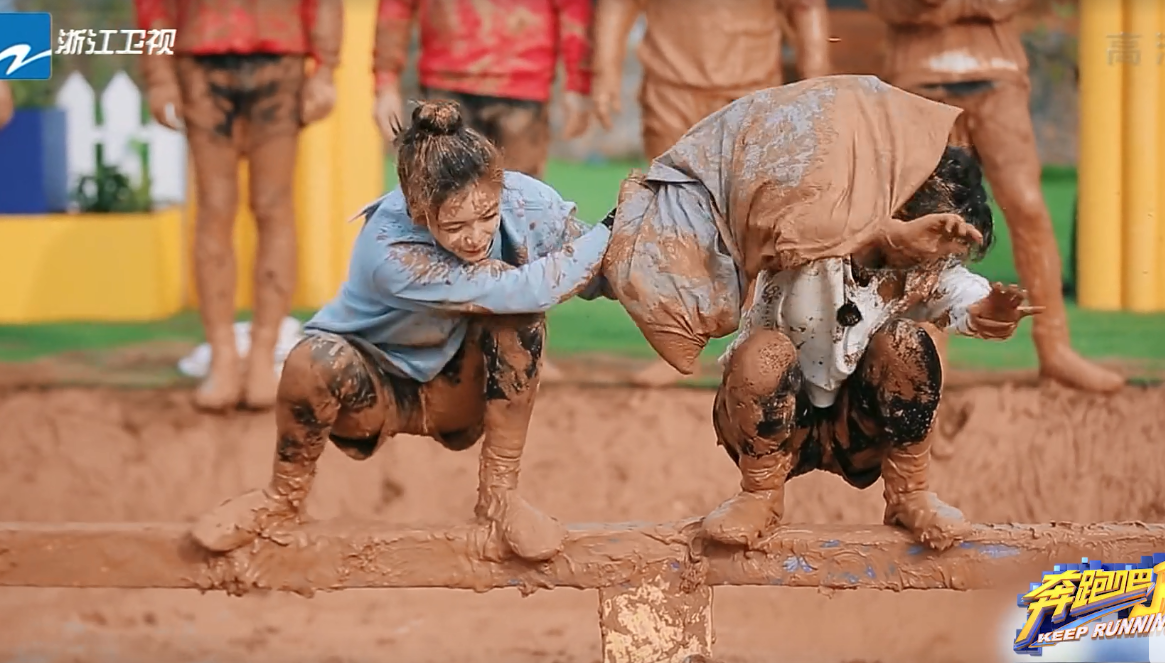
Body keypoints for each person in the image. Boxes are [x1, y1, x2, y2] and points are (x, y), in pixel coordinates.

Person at [600, 75, 1040, 550]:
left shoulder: (925, 273)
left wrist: (989, 309)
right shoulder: (811, 225)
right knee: (763, 354)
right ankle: (760, 495)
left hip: (860, 425)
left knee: (910, 343)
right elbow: (802, 227)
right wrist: (884, 236)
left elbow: (961, 297)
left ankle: (909, 492)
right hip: (778, 423)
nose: (932, 251)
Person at [190, 101, 613, 562]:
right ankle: (280, 498)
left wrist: (641, 245)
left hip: (459, 388)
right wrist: (611, 229)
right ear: (417, 211)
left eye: (487, 216)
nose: (475, 236)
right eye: (454, 225)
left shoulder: (528, 202)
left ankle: (499, 495)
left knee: (519, 324)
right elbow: (523, 288)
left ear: (501, 188)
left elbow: (597, 270)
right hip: (375, 392)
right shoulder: (389, 250)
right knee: (310, 360)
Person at [865, 0, 1124, 393]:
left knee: (1027, 205)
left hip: (996, 69)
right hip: (917, 73)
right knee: (928, 212)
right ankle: (928, 358)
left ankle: (1055, 348)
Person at [590, 0, 832, 387]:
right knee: (669, 223)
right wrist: (604, 74)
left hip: (752, 92)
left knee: (760, 224)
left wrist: (817, 83)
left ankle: (761, 346)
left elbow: (805, 9)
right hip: (672, 88)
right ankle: (677, 347)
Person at [134, 0, 343, 412]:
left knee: (273, 204)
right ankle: (224, 355)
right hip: (201, 58)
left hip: (279, 57)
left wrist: (325, 67)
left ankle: (264, 353)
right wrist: (159, 74)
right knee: (214, 206)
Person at [372, 0, 596, 382]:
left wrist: (577, 83)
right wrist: (384, 79)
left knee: (519, 222)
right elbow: (396, 7)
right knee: (439, 218)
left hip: (524, 82)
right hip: (447, 81)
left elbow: (572, 7)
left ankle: (521, 344)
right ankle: (444, 341)